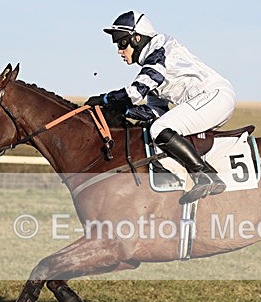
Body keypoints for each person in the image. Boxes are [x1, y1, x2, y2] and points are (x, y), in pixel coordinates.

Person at [86, 11, 236, 204]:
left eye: (122, 43)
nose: (119, 50)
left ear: (137, 38)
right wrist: (119, 111)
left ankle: (206, 176)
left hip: (215, 97)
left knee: (159, 129)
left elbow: (135, 92)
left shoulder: (158, 51)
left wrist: (106, 99)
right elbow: (155, 112)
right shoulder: (150, 66)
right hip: (210, 101)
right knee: (156, 126)